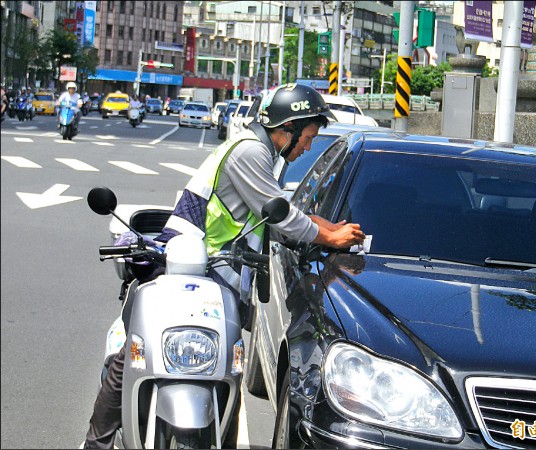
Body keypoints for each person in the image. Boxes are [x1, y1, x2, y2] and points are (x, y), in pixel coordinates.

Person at [82, 83, 366, 449]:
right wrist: (330, 239)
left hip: (212, 271)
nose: (308, 146)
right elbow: (284, 221)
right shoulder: (250, 153)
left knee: (226, 364)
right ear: (289, 128)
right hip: (187, 266)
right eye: (308, 137)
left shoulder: (261, 154)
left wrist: (332, 229)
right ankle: (95, 443)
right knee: (134, 354)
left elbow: (278, 211)